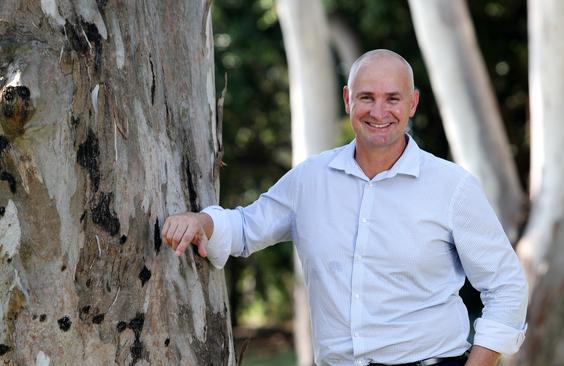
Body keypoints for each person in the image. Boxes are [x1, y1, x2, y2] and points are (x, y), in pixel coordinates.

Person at [162, 49, 528, 366]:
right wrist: (201, 221)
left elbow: (506, 286)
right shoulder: (310, 180)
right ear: (347, 99)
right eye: (366, 97)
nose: (378, 111)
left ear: (413, 103)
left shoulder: (452, 187)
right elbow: (245, 228)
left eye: (392, 98)